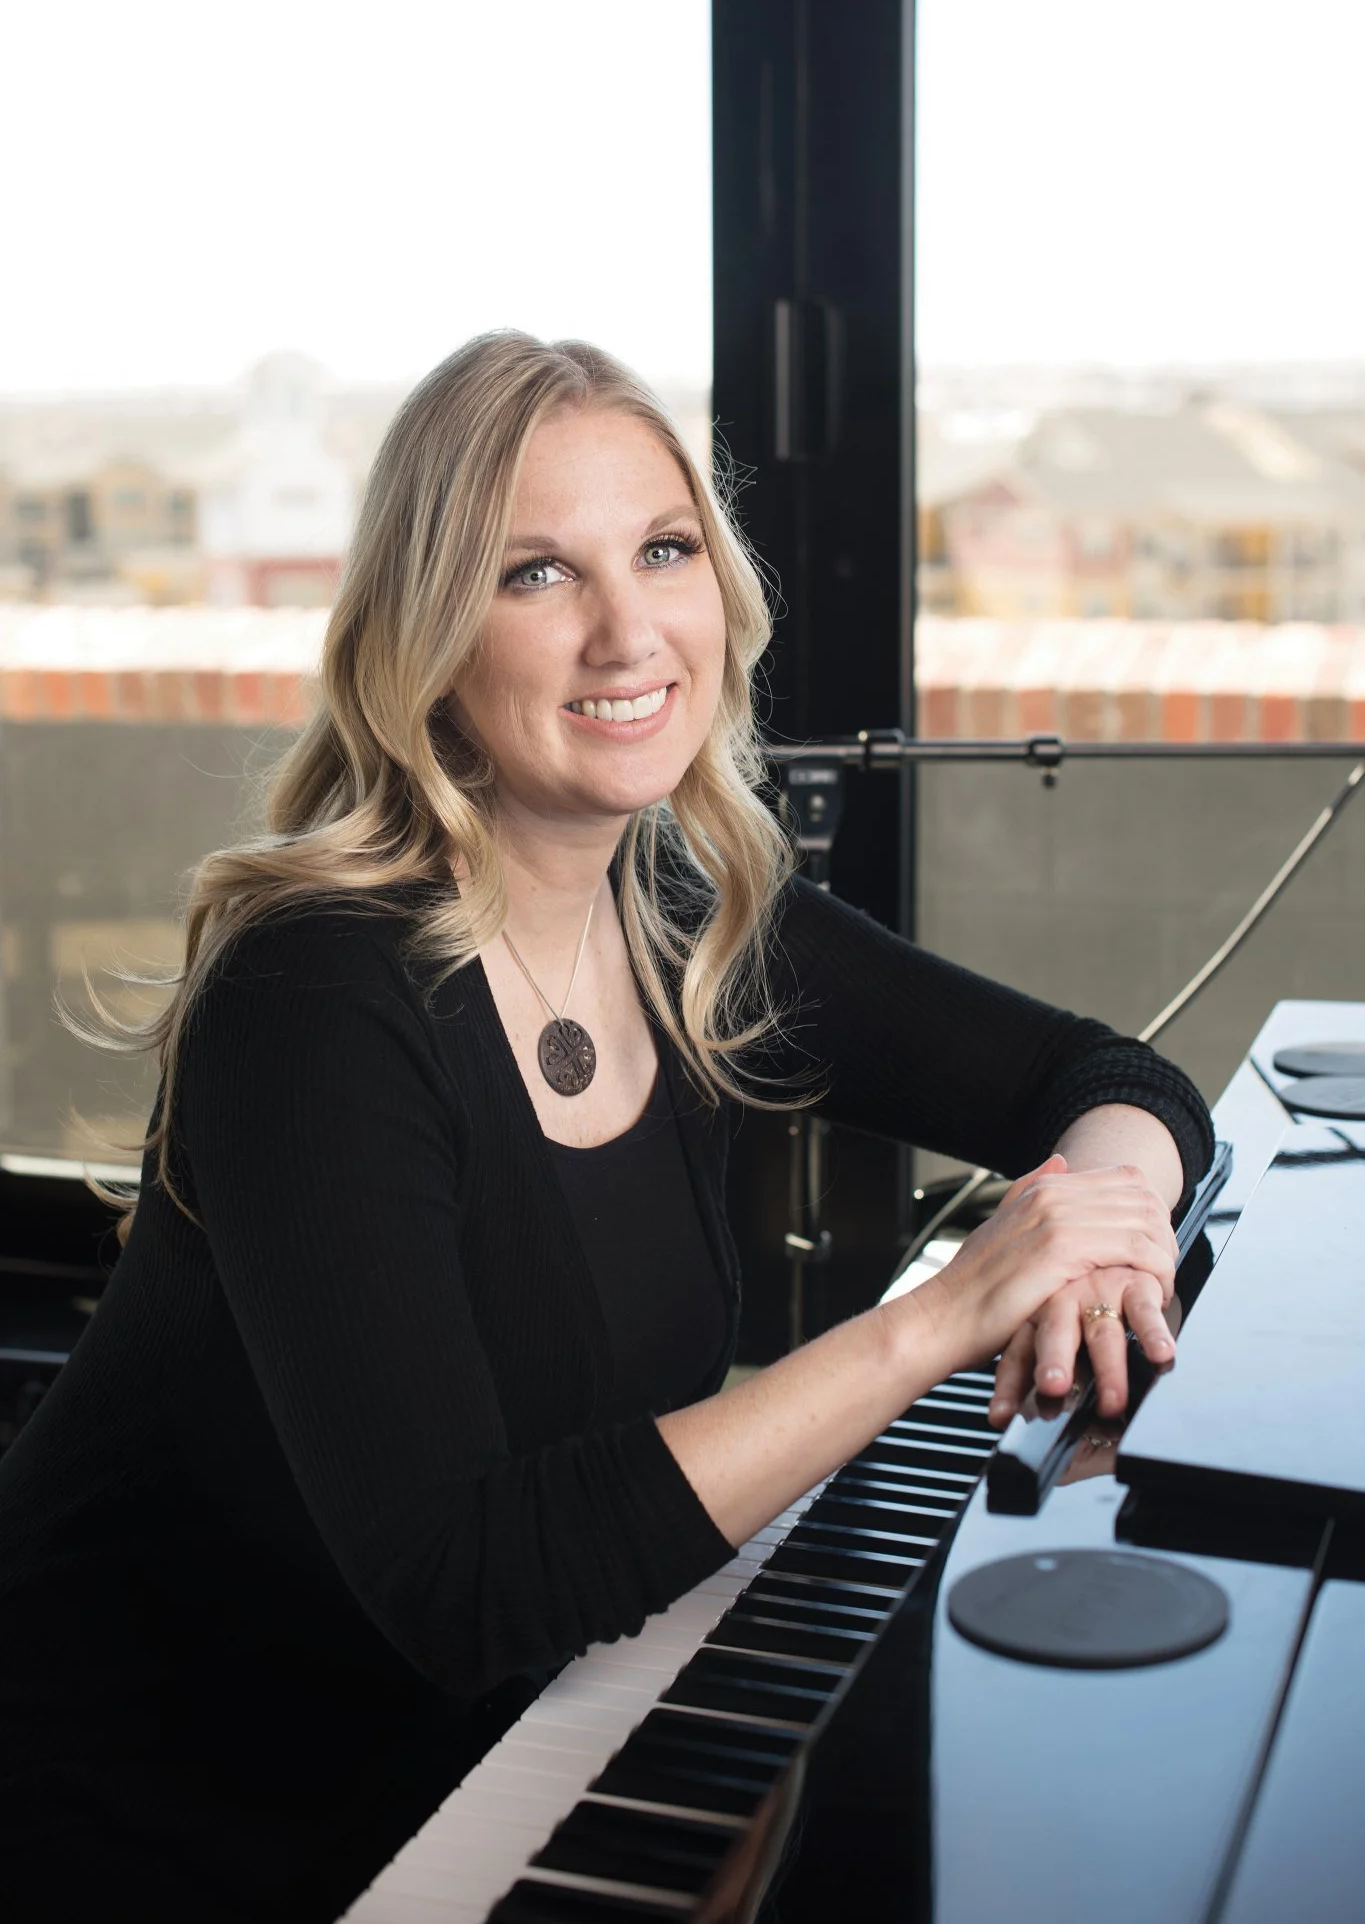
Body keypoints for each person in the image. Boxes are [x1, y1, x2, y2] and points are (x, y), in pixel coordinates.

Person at [0, 333, 1211, 1921]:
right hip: (138, 1819)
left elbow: (1103, 1078)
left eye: (663, 549)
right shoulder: (314, 1000)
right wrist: (948, 1315)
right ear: (426, 638)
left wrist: (1102, 1247)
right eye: (536, 575)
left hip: (462, 1758)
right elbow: (473, 1583)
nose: (629, 631)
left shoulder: (682, 908)